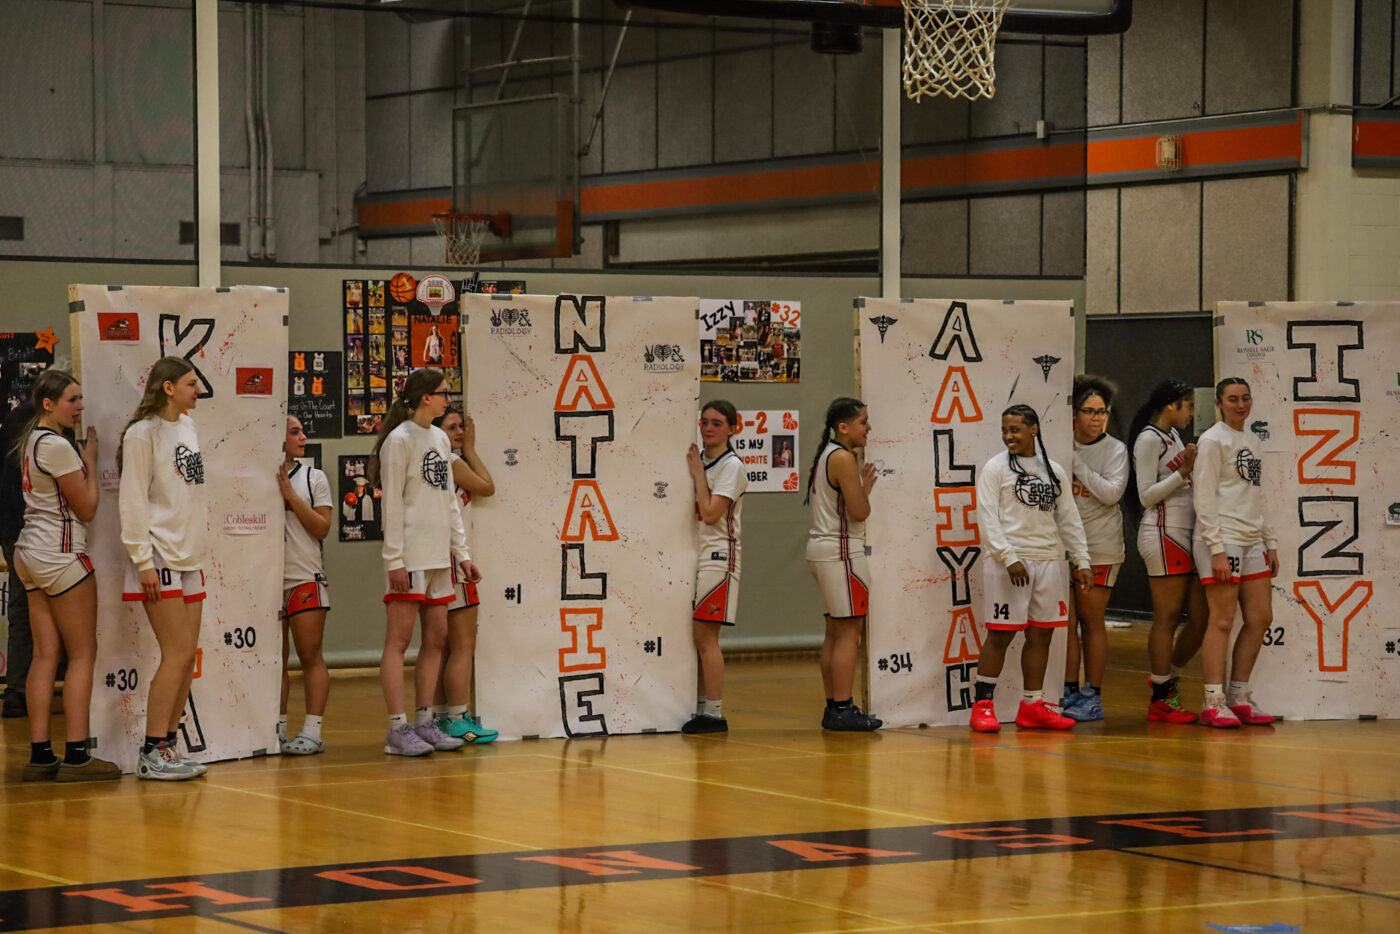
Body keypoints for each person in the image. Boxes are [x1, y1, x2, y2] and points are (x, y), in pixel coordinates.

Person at [11, 371, 120, 782]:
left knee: (44, 656)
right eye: (72, 400)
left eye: (80, 398)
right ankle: (77, 756)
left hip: (30, 552)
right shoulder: (57, 445)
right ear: (49, 404)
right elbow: (88, 508)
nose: (80, 407)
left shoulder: (32, 440)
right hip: (60, 553)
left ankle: (41, 756)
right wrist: (90, 460)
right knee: (82, 654)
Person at [371, 369, 481, 756]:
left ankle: (425, 720)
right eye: (441, 393)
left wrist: (462, 555)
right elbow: (393, 504)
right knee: (398, 642)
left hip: (438, 555)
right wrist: (394, 559)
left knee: (436, 639)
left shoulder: (437, 438)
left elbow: (450, 502)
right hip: (410, 555)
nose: (447, 398)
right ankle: (397, 729)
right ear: (423, 398)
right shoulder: (399, 441)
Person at [970, 404, 1093, 733]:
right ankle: (982, 707)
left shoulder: (1053, 470)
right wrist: (1008, 557)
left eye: (1015, 429)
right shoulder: (995, 468)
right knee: (1000, 635)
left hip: (1049, 561)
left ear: (1034, 429)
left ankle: (1033, 706)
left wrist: (1081, 560)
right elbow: (987, 517)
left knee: (1041, 635)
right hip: (1010, 563)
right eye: (1005, 430)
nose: (1009, 435)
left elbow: (1068, 518)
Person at [118, 356, 209, 781]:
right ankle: (151, 751)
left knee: (187, 656)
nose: (199, 390)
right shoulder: (142, 434)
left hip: (191, 556)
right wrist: (143, 561)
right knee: (174, 655)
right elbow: (133, 500)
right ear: (168, 387)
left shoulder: (188, 427)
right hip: (159, 555)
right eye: (192, 383)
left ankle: (169, 747)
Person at [1193, 378, 1278, 729]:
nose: (1240, 405)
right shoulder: (1212, 440)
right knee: (1223, 619)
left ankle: (1239, 697)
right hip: (1221, 538)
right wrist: (1216, 549)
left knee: (1260, 618)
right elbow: (1204, 497)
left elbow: (1258, 496)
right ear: (1219, 403)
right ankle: (1213, 701)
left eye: (1245, 398)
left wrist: (1269, 541)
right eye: (1232, 399)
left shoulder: (1253, 440)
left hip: (1251, 538)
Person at [1126, 379, 1207, 724]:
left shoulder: (1172, 437)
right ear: (1172, 405)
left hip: (1188, 531)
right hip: (1163, 532)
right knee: (1168, 618)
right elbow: (1145, 495)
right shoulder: (1148, 439)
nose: (1192, 413)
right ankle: (1161, 696)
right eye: (1188, 406)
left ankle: (1168, 677)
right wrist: (1184, 472)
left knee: (1201, 618)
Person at [805, 397, 880, 731]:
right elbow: (859, 511)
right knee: (849, 632)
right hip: (842, 552)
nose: (868, 428)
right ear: (843, 427)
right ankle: (843, 708)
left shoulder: (826, 455)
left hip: (822, 550)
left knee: (835, 632)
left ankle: (833, 706)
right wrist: (866, 490)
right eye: (863, 421)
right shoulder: (843, 458)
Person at [428, 405, 498, 744]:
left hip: (438, 561)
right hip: (456, 563)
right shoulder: (452, 462)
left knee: (441, 648)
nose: (458, 432)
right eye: (452, 427)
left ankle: (443, 717)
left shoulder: (429, 463)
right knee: (463, 646)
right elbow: (488, 486)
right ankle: (458, 718)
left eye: (461, 427)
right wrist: (469, 450)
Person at [1060, 376, 1128, 722]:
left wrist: (1077, 465)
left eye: (1102, 412)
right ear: (1075, 413)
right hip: (1063, 548)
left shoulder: (1114, 449)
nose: (1097, 418)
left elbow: (1111, 493)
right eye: (1089, 411)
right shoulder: (1060, 443)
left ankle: (1093, 694)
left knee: (1091, 621)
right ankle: (1069, 690)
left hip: (1100, 547)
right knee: (1064, 623)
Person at [683, 400, 748, 734]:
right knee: (697, 637)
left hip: (720, 557)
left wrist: (696, 475)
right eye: (705, 422)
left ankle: (715, 713)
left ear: (733, 429)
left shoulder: (732, 466)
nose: (709, 428)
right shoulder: (707, 461)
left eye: (717, 423)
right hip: (700, 555)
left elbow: (710, 514)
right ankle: (699, 708)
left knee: (706, 636)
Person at [277, 416, 333, 755]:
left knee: (310, 656)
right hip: (267, 579)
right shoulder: (255, 475)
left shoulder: (314, 477)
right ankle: (278, 728)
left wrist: (292, 498)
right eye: (295, 431)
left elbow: (323, 528)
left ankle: (312, 731)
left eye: (302, 431)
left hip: (304, 576)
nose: (303, 436)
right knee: (275, 661)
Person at [1, 397, 35, 719]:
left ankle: (18, 689)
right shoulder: (46, 432)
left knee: (22, 608)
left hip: (12, 528)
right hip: (38, 531)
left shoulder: (15, 419)